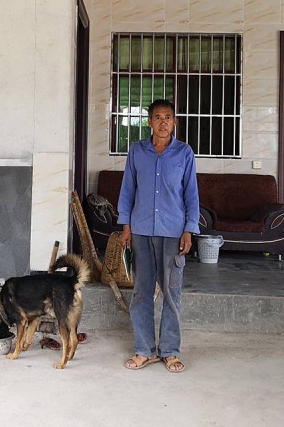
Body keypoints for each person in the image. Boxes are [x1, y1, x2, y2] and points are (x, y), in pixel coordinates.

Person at [117, 99, 200, 373]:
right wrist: (126, 225)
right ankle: (145, 351)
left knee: (171, 293)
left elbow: (191, 194)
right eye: (158, 117)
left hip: (173, 231)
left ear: (175, 122)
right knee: (141, 292)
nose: (163, 122)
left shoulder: (184, 153)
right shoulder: (137, 151)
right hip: (141, 230)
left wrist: (189, 229)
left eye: (168, 117)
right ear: (150, 122)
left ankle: (170, 351)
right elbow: (128, 189)